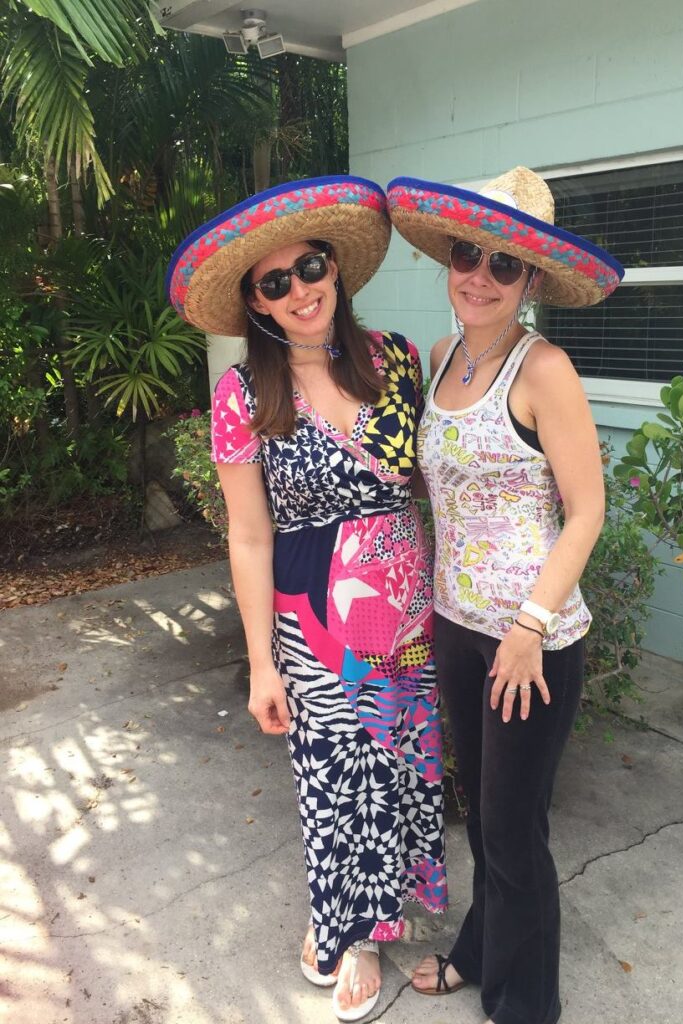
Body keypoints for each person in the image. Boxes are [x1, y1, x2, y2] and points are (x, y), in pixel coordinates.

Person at [166, 175, 446, 1023]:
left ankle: (386, 914)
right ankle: (348, 931)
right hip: (315, 621)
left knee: (397, 771)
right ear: (255, 302)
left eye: (310, 267)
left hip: (407, 613)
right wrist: (261, 664)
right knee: (335, 780)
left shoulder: (397, 359)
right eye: (274, 282)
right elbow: (248, 536)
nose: (300, 290)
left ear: (336, 268)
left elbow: (445, 479)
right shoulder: (242, 396)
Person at [386, 167, 624, 1024]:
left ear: (531, 281)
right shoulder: (443, 355)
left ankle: (528, 1005)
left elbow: (587, 509)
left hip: (533, 640)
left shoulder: (543, 368)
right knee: (485, 825)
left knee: (515, 834)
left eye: (503, 264)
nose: (479, 275)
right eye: (465, 254)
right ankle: (481, 953)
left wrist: (528, 626)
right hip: (454, 628)